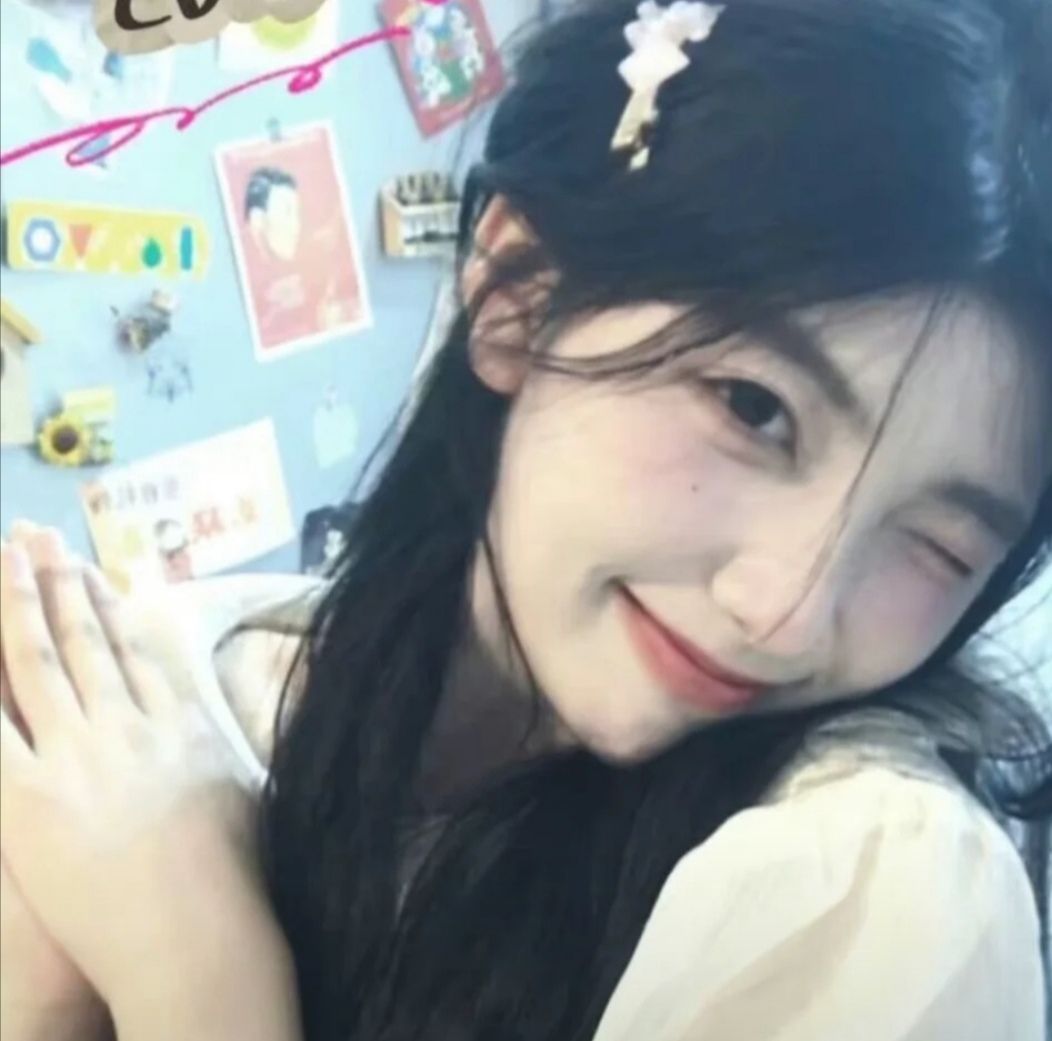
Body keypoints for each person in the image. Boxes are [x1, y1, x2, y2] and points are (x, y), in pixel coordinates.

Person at [1, 0, 1050, 1038]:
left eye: (938, 545)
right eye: (752, 407)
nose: (784, 615)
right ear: (518, 296)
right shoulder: (163, 701)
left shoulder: (871, 885)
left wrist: (196, 972)